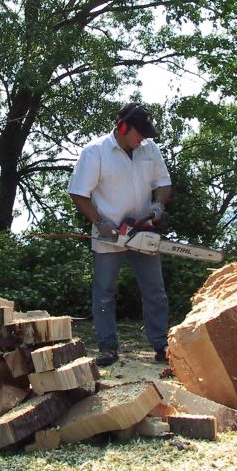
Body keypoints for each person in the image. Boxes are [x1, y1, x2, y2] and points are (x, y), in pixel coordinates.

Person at [68, 102, 172, 367]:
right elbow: (79, 193)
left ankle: (161, 345)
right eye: (140, 133)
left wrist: (158, 206)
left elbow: (163, 183)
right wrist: (99, 222)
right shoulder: (95, 152)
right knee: (104, 292)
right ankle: (107, 347)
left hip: (143, 231)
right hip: (109, 233)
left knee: (155, 291)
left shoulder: (150, 149)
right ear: (123, 126)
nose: (143, 139)